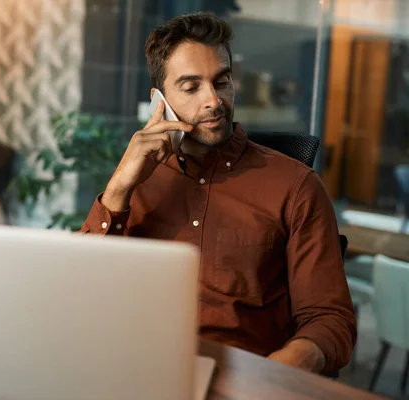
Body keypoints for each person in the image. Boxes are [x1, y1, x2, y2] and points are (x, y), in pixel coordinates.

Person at [80, 11, 356, 374]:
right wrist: (118, 188)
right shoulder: (137, 179)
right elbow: (82, 291)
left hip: (245, 377)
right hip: (139, 370)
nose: (213, 100)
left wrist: (288, 365)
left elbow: (329, 317)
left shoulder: (296, 185)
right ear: (159, 99)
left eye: (221, 82)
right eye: (191, 87)